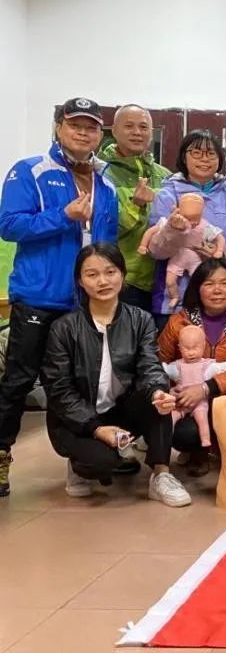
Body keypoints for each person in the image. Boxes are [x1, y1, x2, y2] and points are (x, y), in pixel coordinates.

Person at [0, 97, 119, 497]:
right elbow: (8, 225)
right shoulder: (30, 170)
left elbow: (106, 243)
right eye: (75, 125)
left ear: (100, 134)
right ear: (58, 127)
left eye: (91, 127)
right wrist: (62, 216)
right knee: (18, 381)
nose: (84, 133)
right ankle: (1, 457)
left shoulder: (106, 183)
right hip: (39, 296)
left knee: (80, 384)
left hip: (85, 301)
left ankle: (79, 463)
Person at [40, 243, 190, 506]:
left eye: (110, 272)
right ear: (80, 280)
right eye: (92, 274)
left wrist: (158, 391)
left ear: (122, 274)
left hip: (121, 409)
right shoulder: (63, 328)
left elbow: (150, 366)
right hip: (78, 419)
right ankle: (79, 465)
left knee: (159, 398)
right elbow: (59, 390)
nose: (103, 281)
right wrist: (96, 429)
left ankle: (161, 475)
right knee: (100, 463)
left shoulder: (140, 320)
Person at [158, 258, 226, 476]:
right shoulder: (179, 320)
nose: (217, 290)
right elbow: (158, 362)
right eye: (209, 284)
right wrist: (171, 390)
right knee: (183, 434)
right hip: (188, 399)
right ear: (197, 288)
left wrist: (207, 387)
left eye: (225, 283)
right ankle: (197, 451)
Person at [147, 131, 226, 318]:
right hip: (175, 301)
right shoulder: (167, 194)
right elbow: (155, 251)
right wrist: (173, 230)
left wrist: (221, 252)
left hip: (221, 300)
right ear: (183, 157)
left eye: (211, 153)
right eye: (196, 152)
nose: (204, 158)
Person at [99, 104, 172, 312]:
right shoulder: (100, 172)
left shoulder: (165, 176)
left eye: (143, 127)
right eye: (129, 126)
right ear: (114, 130)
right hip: (121, 280)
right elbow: (104, 230)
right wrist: (136, 205)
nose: (137, 132)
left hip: (162, 281)